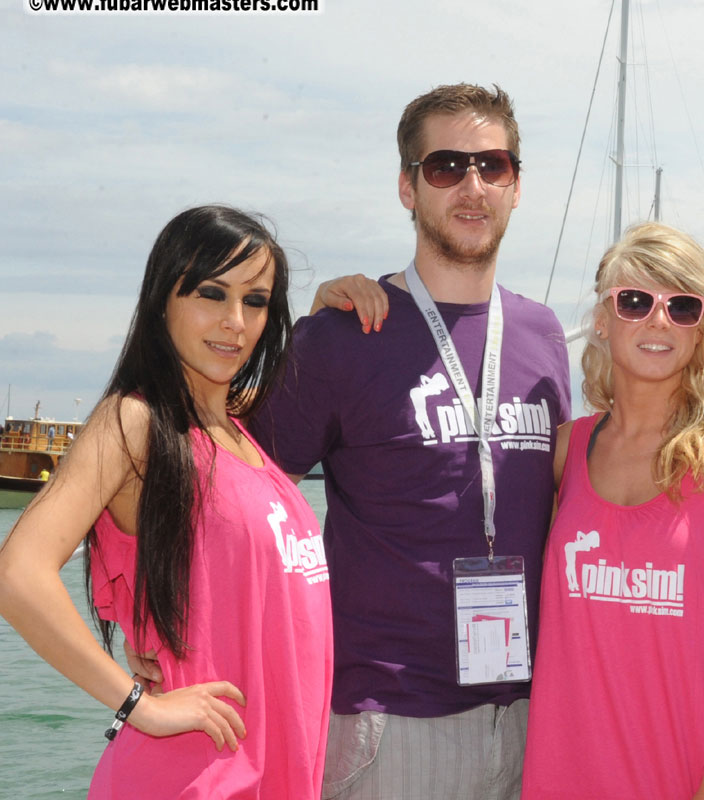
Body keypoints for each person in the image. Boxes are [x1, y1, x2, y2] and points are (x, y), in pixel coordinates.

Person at [247, 84, 572, 800]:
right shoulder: (340, 334)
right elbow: (237, 495)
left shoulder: (543, 333)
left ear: (517, 185)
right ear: (408, 186)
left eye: (493, 165)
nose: (472, 185)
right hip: (390, 720)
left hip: (527, 712)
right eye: (446, 166)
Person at [0, 205, 331, 798]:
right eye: (211, 293)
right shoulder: (136, 422)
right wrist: (140, 708)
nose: (235, 321)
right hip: (190, 777)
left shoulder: (235, 430)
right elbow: (17, 574)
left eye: (255, 301)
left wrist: (330, 307)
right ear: (162, 300)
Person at [521, 222, 704, 799]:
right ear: (601, 318)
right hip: (571, 771)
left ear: (701, 329)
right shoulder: (567, 450)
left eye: (682, 306)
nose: (658, 320)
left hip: (698, 775)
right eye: (636, 301)